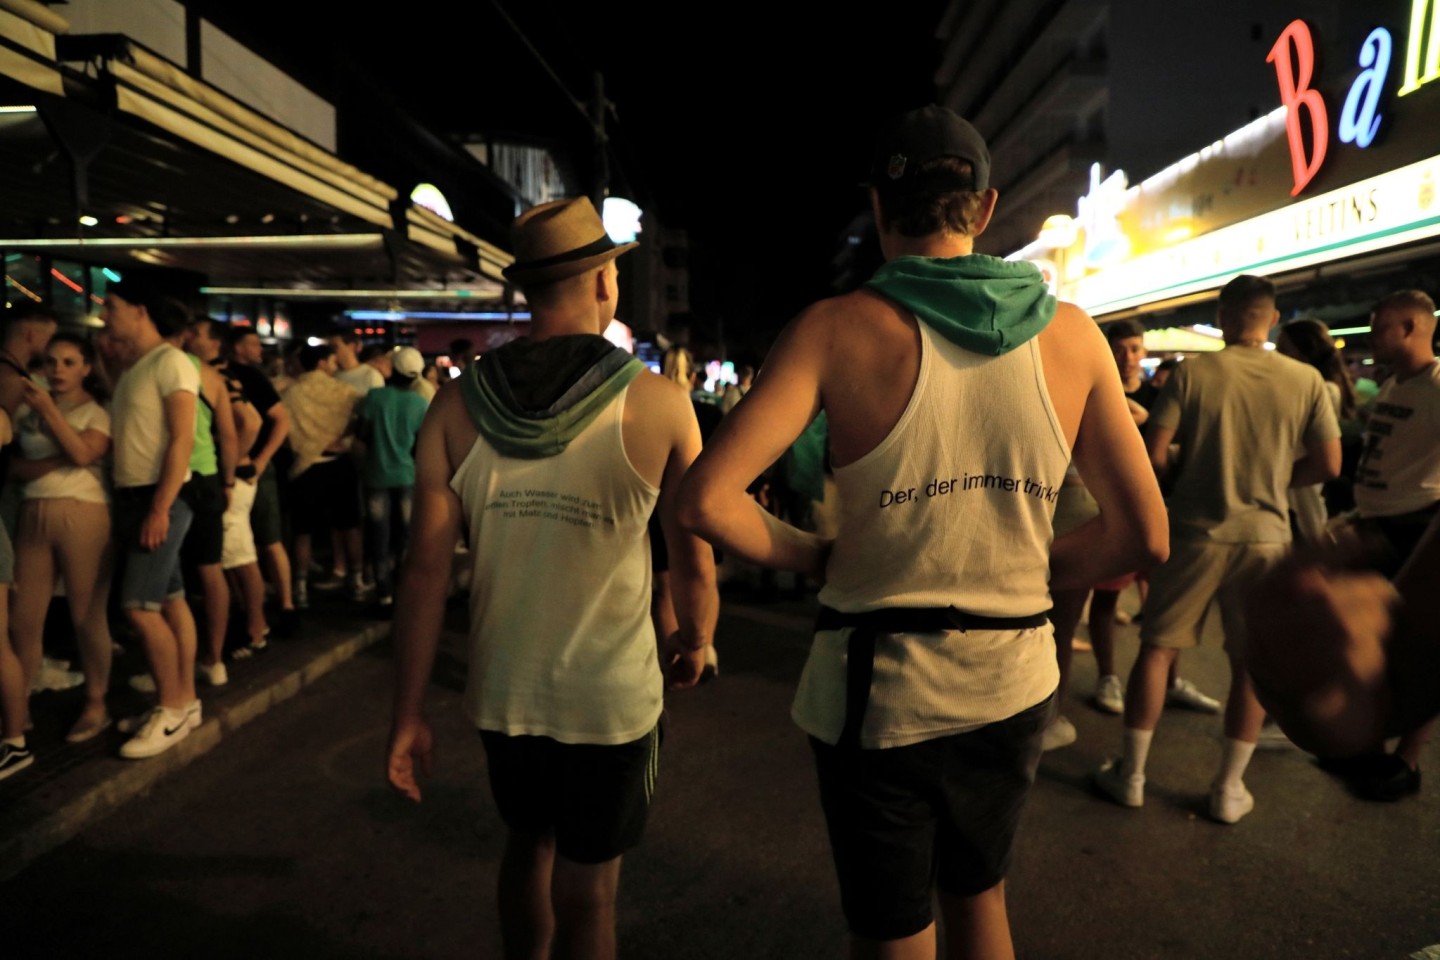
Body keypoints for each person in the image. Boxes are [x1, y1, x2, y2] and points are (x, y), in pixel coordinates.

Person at [679, 105, 1167, 959]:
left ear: (878, 209)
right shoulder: (1076, 337)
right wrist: (1029, 569)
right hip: (1015, 677)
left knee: (895, 932)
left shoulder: (833, 331)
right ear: (982, 209)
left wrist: (817, 557)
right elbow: (1144, 536)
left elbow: (705, 500)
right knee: (980, 900)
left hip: (881, 693)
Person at [387, 196, 718, 960]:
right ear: (605, 282)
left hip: (504, 691)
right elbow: (693, 558)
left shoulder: (453, 405)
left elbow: (425, 574)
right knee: (590, 885)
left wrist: (407, 712)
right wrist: (695, 639)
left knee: (525, 846)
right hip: (610, 697)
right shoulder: (662, 405)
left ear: (529, 291)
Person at [1092, 274, 1340, 824]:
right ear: (1271, 319)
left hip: (1196, 530)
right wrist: (1275, 481)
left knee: (1157, 648)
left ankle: (1130, 776)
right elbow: (1330, 464)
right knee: (1251, 663)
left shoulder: (1194, 372)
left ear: (1224, 318)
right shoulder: (1306, 380)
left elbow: (1154, 453)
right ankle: (1228, 789)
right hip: (1267, 538)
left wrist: (1192, 472)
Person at [1322, 289, 1440, 800]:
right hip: (1377, 525)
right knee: (1367, 640)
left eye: (1381, 327)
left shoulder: (1437, 386)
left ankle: (1404, 762)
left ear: (1412, 327)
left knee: (1418, 649)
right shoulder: (1395, 383)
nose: (1373, 337)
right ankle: (1367, 744)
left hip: (1417, 528)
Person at [102, 280, 205, 760]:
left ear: (140, 311)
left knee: (139, 607)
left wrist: (160, 507)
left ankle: (170, 709)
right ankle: (185, 703)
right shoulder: (137, 366)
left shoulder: (171, 361)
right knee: (170, 599)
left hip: (157, 497)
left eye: (112, 305)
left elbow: (182, 438)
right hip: (138, 496)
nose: (105, 313)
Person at [4, 332, 114, 754]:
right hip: (34, 514)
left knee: (87, 615)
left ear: (86, 367)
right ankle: (19, 706)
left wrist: (50, 412)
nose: (57, 370)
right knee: (23, 618)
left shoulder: (95, 411)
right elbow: (13, 466)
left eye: (69, 362)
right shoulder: (26, 413)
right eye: (51, 362)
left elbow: (85, 455)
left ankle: (96, 701)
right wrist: (60, 457)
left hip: (83, 513)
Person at [225, 327, 299, 635]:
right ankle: (280, 607)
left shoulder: (251, 377)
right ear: (235, 347)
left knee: (264, 540)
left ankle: (282, 605)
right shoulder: (235, 374)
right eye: (253, 343)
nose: (260, 349)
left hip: (249, 467)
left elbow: (281, 419)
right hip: (246, 467)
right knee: (252, 543)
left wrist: (260, 460)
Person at [282, 344, 365, 609]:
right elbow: (362, 416)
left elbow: (284, 432)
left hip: (305, 467)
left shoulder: (290, 394)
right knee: (350, 525)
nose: (335, 366)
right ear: (321, 363)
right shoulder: (343, 391)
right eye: (331, 362)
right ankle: (356, 580)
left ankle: (300, 587)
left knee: (302, 531)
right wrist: (346, 439)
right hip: (339, 464)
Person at [354, 346, 428, 607]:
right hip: (407, 475)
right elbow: (421, 446)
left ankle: (384, 593)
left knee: (379, 536)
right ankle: (404, 588)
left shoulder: (374, 398)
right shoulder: (420, 404)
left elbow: (361, 435)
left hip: (375, 476)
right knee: (405, 535)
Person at [1276, 318, 1356, 544]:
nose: (1278, 358)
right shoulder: (1308, 387)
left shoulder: (1324, 390)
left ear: (1306, 353)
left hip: (1301, 490)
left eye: (1284, 350)